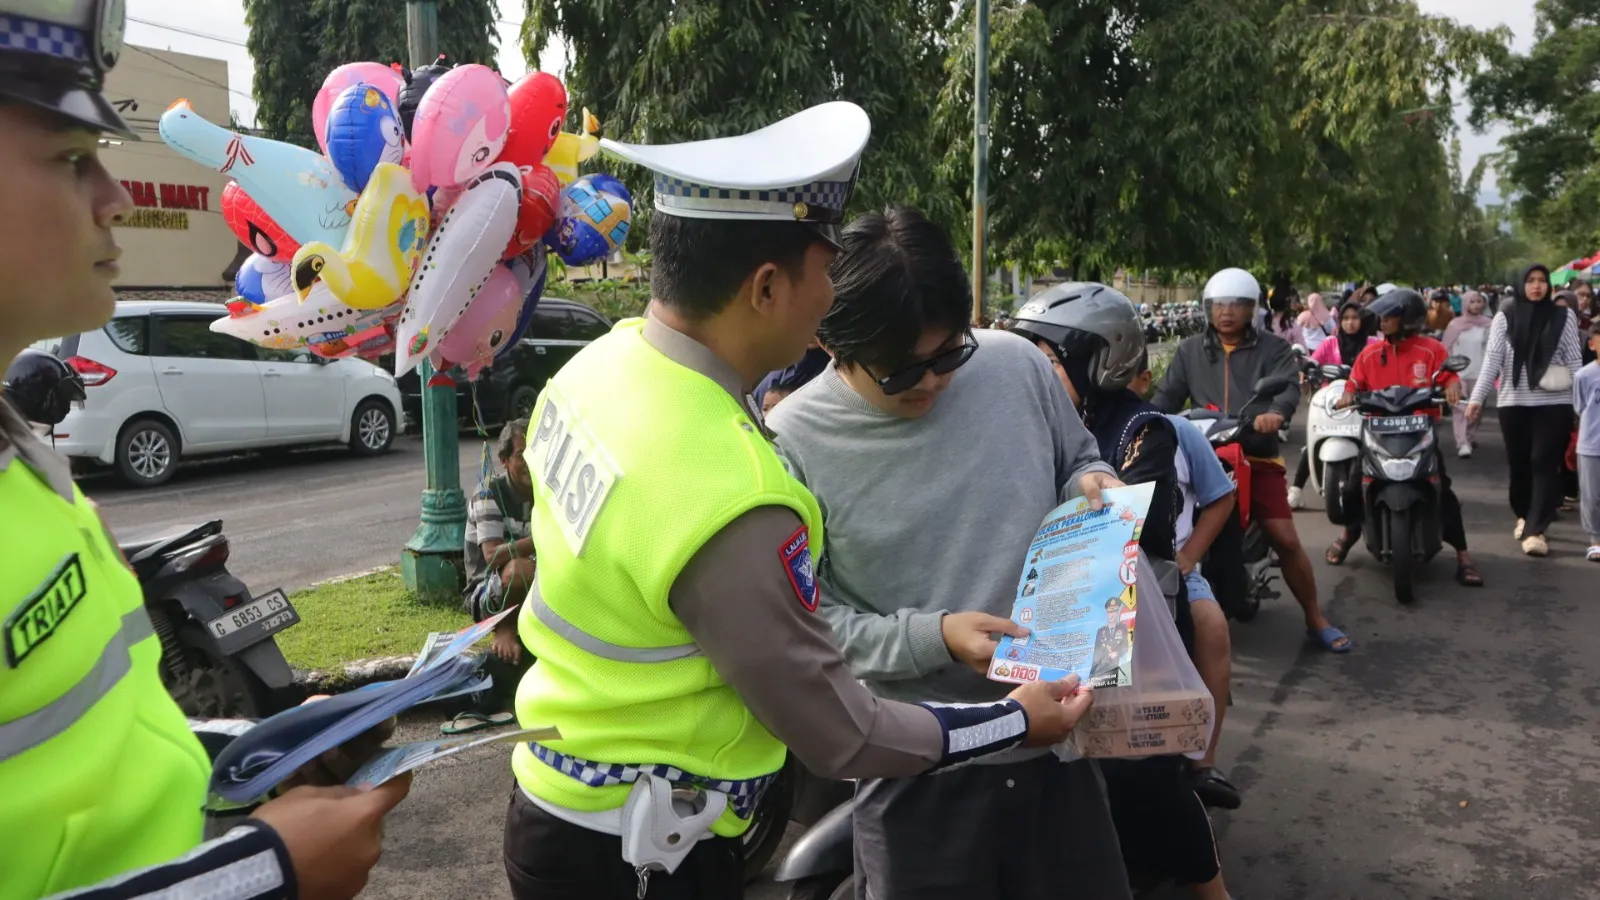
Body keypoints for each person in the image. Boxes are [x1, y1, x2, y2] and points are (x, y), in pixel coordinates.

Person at [502, 109, 1094, 900]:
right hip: (650, 850)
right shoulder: (735, 488)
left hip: (563, 799)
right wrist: (1015, 721)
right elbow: (842, 731)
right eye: (824, 269)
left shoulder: (595, 372)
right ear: (768, 286)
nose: (830, 299)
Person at [0, 4, 416, 900]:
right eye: (71, 160)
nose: (117, 197)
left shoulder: (25, 464)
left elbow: (100, 751)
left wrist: (256, 754)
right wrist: (262, 872)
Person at [767, 209, 1131, 900]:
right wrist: (933, 637)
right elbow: (809, 625)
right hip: (918, 765)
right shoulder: (790, 446)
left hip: (1058, 743)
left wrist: (1094, 485)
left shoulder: (1016, 364)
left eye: (950, 354)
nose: (934, 383)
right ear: (830, 342)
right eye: (904, 372)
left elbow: (1076, 457)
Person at [1006, 282, 1235, 897]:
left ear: (1100, 358)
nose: (1032, 369)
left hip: (1125, 622)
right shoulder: (1024, 423)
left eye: (1046, 357)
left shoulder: (1142, 428)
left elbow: (1141, 522)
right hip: (1050, 621)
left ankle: (1212, 888)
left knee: (1145, 780)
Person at [1153, 268, 1350, 653]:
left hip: (1255, 456)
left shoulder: (1273, 349)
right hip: (1200, 456)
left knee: (1285, 537)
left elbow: (1288, 386)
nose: (1226, 312)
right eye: (1219, 305)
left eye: (1237, 304)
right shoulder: (1190, 350)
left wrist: (1275, 412)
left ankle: (1315, 617)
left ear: (1252, 309)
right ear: (1207, 308)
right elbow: (1167, 397)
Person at [1126, 360, 1240, 809]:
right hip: (1103, 573)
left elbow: (1221, 499)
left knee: (1210, 625)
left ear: (1143, 381)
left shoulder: (1175, 431)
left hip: (1172, 570)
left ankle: (1202, 761)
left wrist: (1188, 558)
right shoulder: (1076, 433)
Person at [1324, 290, 1483, 586]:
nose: (1381, 322)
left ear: (1408, 319)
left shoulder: (1431, 350)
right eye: (1381, 317)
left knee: (1443, 490)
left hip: (1419, 432)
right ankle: (1350, 532)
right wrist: (1348, 395)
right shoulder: (1370, 353)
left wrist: (1453, 387)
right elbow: (1354, 381)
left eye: (1389, 317)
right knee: (1354, 487)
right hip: (1377, 431)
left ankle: (1463, 555)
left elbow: (1449, 376)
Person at [1466, 264, 1585, 556]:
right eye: (1530, 281)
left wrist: (1585, 404)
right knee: (1520, 465)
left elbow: (1574, 360)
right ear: (1521, 284)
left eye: (1542, 281)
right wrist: (1477, 399)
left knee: (1543, 462)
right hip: (1513, 403)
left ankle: (1536, 530)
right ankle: (1524, 515)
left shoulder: (1563, 316)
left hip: (1554, 403)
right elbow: (1492, 361)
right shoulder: (1505, 317)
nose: (1537, 286)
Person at [448, 418, 535, 733]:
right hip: (487, 594)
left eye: (537, 451)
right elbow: (493, 556)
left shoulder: (548, 489)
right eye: (522, 454)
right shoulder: (488, 492)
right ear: (505, 460)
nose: (531, 461)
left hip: (534, 587)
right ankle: (505, 631)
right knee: (521, 568)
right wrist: (542, 538)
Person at [1289, 299, 1379, 506]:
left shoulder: (1373, 344)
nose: (1350, 323)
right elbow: (1314, 360)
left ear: (1363, 320)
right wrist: (1307, 367)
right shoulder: (1330, 342)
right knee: (1312, 440)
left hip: (1364, 402)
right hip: (1331, 401)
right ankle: (1295, 490)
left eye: (1355, 318)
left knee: (1374, 444)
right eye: (1345, 318)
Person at [1442, 290, 1493, 457]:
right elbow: (1446, 348)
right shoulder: (1455, 325)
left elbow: (1491, 349)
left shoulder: (1488, 324)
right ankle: (1462, 443)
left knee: (1476, 410)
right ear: (1465, 304)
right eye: (1472, 302)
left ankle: (1469, 437)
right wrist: (1447, 372)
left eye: (1479, 301)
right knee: (1459, 408)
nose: (1476, 305)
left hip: (1480, 373)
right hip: (1459, 374)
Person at [1572, 322, 1600, 561]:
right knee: (1591, 495)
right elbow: (1580, 407)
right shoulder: (1584, 375)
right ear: (1592, 345)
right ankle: (1595, 539)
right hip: (1591, 443)